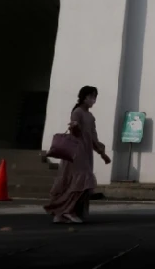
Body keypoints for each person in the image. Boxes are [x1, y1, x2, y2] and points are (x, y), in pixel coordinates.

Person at [44, 86, 111, 224]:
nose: (93, 100)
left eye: (95, 97)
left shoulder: (91, 117)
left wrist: (102, 153)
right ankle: (67, 211)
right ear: (84, 97)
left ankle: (63, 213)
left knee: (80, 182)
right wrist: (74, 126)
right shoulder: (77, 112)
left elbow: (93, 137)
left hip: (86, 152)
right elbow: (75, 133)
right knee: (83, 180)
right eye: (91, 97)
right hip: (76, 152)